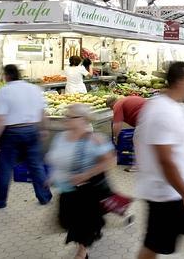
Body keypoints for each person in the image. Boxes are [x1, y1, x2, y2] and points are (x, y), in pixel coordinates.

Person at [134, 62, 184, 259]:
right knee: (154, 245)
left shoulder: (175, 106)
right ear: (181, 82)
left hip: (179, 190)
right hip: (167, 194)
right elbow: (166, 160)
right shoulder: (161, 111)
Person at [45, 104, 115, 259]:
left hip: (85, 192)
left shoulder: (95, 139)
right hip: (66, 190)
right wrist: (52, 177)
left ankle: (82, 251)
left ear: (83, 119)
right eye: (66, 116)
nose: (66, 119)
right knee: (67, 221)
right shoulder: (60, 137)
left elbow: (110, 161)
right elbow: (57, 160)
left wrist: (86, 174)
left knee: (82, 224)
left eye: (71, 117)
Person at [0, 65, 52, 209]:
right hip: (32, 130)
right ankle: (45, 197)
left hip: (12, 132)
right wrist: (44, 129)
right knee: (36, 166)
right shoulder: (33, 88)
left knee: (5, 167)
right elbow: (42, 111)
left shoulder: (3, 91)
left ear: (6, 75)